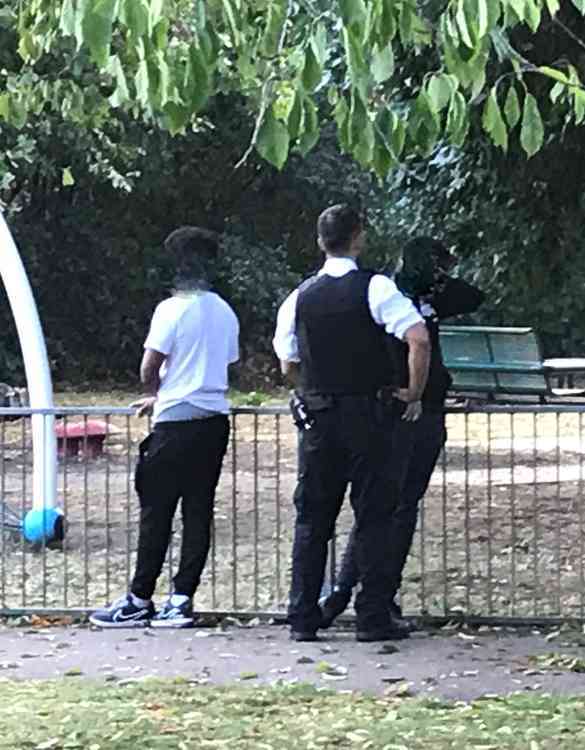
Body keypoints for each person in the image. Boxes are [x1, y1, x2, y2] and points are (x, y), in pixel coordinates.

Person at [273, 205, 430, 642]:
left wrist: (311, 386)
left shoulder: (300, 295)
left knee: (312, 519)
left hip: (319, 418)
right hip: (369, 415)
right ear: (357, 237)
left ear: (321, 242)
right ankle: (372, 615)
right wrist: (413, 392)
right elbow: (417, 337)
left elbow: (287, 360)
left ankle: (302, 616)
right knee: (374, 516)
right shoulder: (376, 287)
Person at [319, 236, 484, 632]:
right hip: (400, 408)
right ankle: (352, 591)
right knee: (383, 508)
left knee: (397, 507)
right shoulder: (386, 295)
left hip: (425, 411)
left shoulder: (424, 299)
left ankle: (371, 592)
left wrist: (437, 282)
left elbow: (472, 296)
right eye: (435, 264)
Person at [90, 227, 239, 629]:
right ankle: (181, 599)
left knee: (156, 513)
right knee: (197, 512)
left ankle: (140, 598)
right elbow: (218, 365)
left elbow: (149, 367)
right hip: (212, 421)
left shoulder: (171, 309)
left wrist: (159, 393)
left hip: (174, 425)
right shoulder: (225, 310)